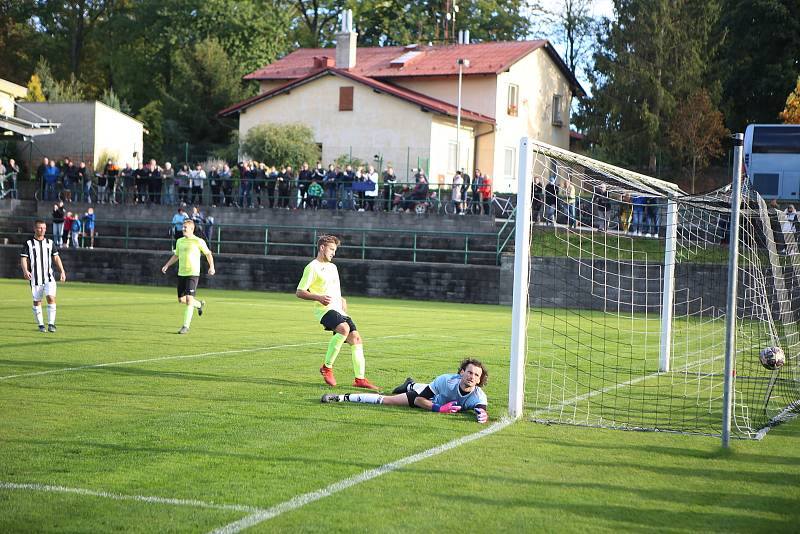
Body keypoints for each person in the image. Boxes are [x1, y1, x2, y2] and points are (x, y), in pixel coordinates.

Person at [296, 234, 379, 390]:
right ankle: (327, 367)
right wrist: (318, 297)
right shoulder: (312, 267)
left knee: (356, 339)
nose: (334, 253)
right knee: (344, 329)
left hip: (338, 309)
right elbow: (299, 292)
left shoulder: (333, 267)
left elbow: (333, 289)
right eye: (332, 249)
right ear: (322, 248)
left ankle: (360, 379)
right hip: (324, 310)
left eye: (335, 250)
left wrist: (341, 300)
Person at [321, 358, 489, 424]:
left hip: (429, 392)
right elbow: (418, 401)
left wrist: (482, 415)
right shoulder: (445, 380)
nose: (472, 377)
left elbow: (481, 410)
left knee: (418, 387)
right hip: (429, 398)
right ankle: (340, 397)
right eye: (469, 372)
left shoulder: (478, 396)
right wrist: (439, 409)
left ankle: (410, 384)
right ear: (461, 373)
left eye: (476, 375)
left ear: (480, 380)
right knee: (387, 400)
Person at [160, 219, 215, 334]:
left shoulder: (198, 241)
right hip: (182, 273)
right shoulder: (180, 241)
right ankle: (199, 304)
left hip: (193, 273)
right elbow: (176, 256)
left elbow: (208, 253)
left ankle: (185, 326)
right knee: (181, 300)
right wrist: (167, 265)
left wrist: (212, 267)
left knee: (189, 299)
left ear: (191, 229)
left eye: (185, 227)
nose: (183, 229)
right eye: (183, 227)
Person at [20, 220, 67, 333]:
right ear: (35, 229)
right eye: (40, 228)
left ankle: (51, 324)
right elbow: (23, 258)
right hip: (35, 278)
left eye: (44, 228)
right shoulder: (28, 243)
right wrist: (25, 271)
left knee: (51, 298)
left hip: (49, 277)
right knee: (37, 301)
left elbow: (56, 257)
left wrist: (62, 271)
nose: (42, 230)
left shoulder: (50, 243)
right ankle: (41, 325)